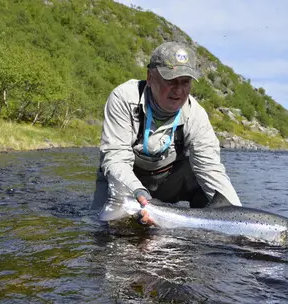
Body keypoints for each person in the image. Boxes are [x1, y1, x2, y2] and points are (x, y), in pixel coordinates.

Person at [91, 41, 241, 224]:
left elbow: (211, 170)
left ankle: (202, 229)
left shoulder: (196, 115)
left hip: (168, 184)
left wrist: (239, 219)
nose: (178, 90)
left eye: (185, 82)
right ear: (150, 77)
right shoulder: (123, 98)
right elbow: (116, 157)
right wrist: (137, 192)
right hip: (122, 184)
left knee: (204, 184)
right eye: (170, 80)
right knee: (104, 229)